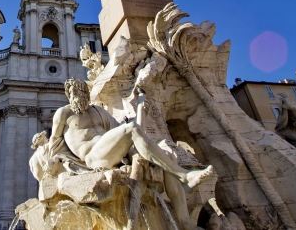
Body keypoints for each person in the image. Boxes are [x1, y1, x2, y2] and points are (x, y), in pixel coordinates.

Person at [50, 78, 213, 188]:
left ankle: (183, 216)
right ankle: (184, 176)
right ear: (68, 95)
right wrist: (53, 162)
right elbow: (54, 141)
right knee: (132, 129)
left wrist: (141, 107)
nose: (77, 95)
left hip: (113, 151)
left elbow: (129, 133)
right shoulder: (64, 113)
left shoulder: (98, 111)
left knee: (167, 153)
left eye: (81, 91)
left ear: (87, 93)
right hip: (93, 157)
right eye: (73, 92)